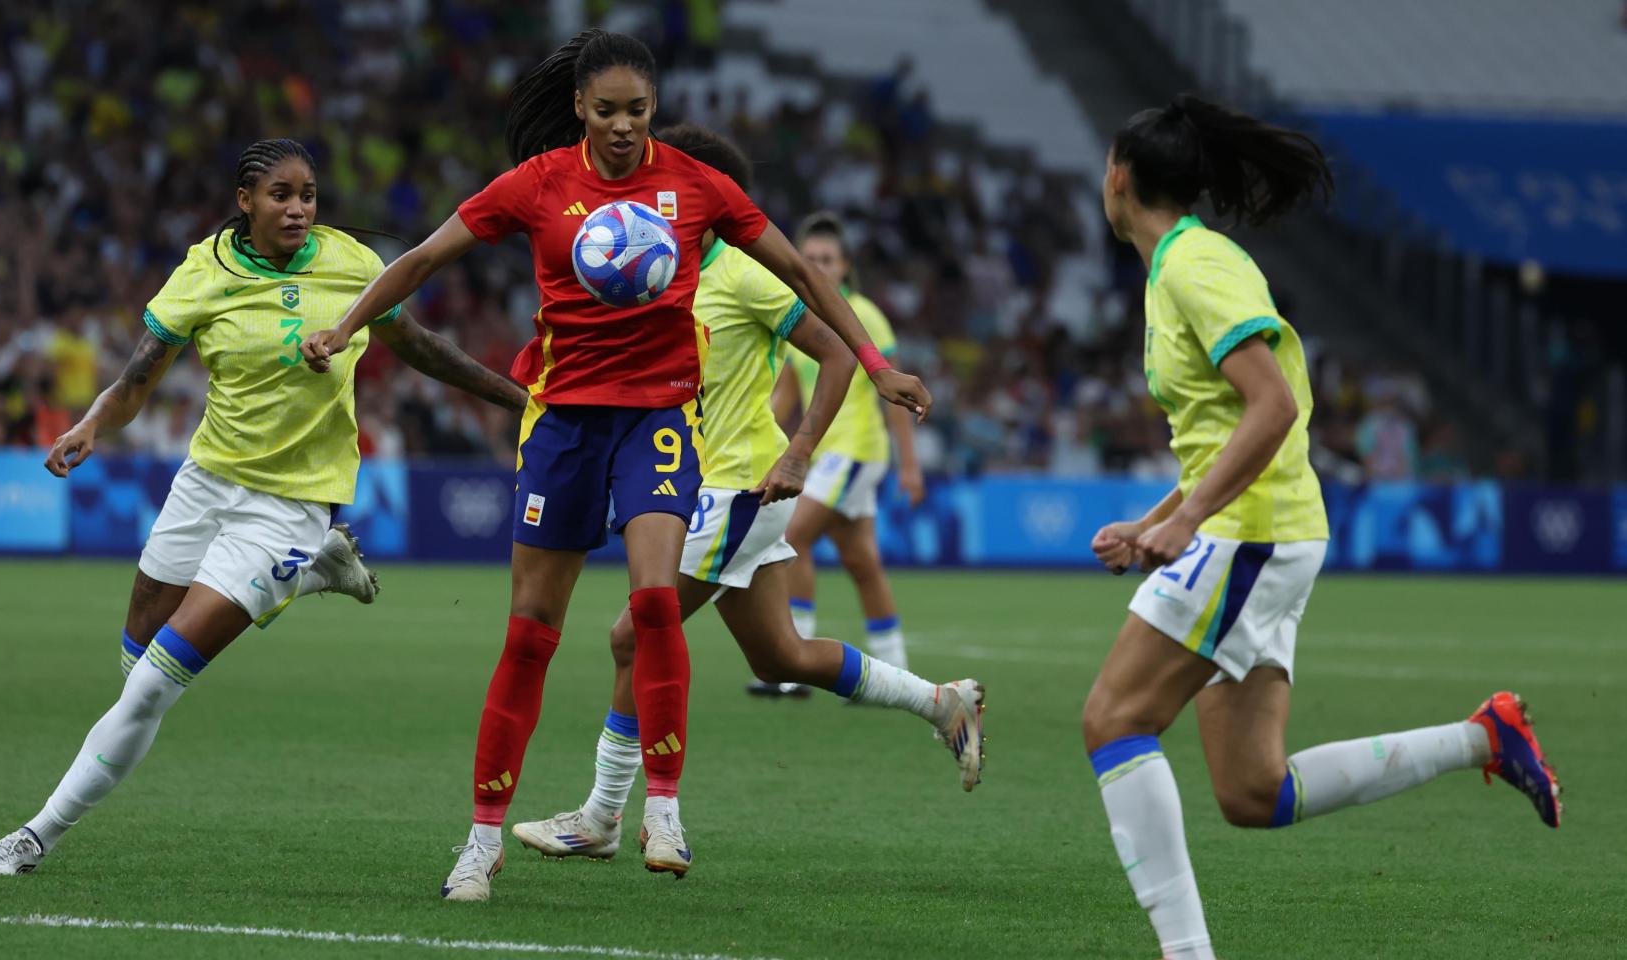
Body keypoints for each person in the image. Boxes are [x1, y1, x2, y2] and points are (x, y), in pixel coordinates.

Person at [299, 31, 931, 902]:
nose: (625, 126)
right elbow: (423, 257)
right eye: (608, 111)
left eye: (638, 110)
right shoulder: (540, 183)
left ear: (654, 109)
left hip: (658, 423)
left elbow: (799, 273)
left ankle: (660, 810)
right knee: (530, 634)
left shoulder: (696, 186)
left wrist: (874, 361)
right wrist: (346, 327)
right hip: (561, 424)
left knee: (654, 602)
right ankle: (480, 844)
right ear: (580, 110)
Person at [0, 138, 529, 877]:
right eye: (281, 195)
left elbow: (419, 345)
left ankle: (32, 838)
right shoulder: (204, 272)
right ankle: (315, 572)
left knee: (155, 686)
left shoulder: (352, 264)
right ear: (246, 201)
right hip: (205, 485)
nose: (298, 209)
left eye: (309, 195)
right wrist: (93, 423)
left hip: (287, 507)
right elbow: (137, 377)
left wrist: (522, 401)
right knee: (132, 663)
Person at [1080, 94, 1561, 960]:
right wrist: (1151, 520)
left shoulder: (1196, 266)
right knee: (1253, 792)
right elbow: (1224, 429)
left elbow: (1276, 406)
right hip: (1260, 533)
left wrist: (1186, 520)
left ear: (1119, 176)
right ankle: (1484, 736)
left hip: (1249, 533)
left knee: (1112, 721)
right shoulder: (1177, 269)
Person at [509, 126, 982, 862]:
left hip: (736, 486)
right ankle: (940, 702)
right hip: (696, 486)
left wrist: (799, 453)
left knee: (633, 634)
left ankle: (602, 817)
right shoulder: (652, 267)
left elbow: (833, 356)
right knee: (780, 657)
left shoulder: (744, 274)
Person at [772, 213, 923, 688]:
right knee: (862, 562)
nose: (818, 265)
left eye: (827, 259)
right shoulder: (795, 313)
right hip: (827, 455)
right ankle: (895, 665)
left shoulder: (865, 315)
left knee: (792, 538)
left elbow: (895, 394)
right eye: (810, 258)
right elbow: (786, 400)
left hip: (856, 450)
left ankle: (793, 668)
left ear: (844, 267)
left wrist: (910, 464)